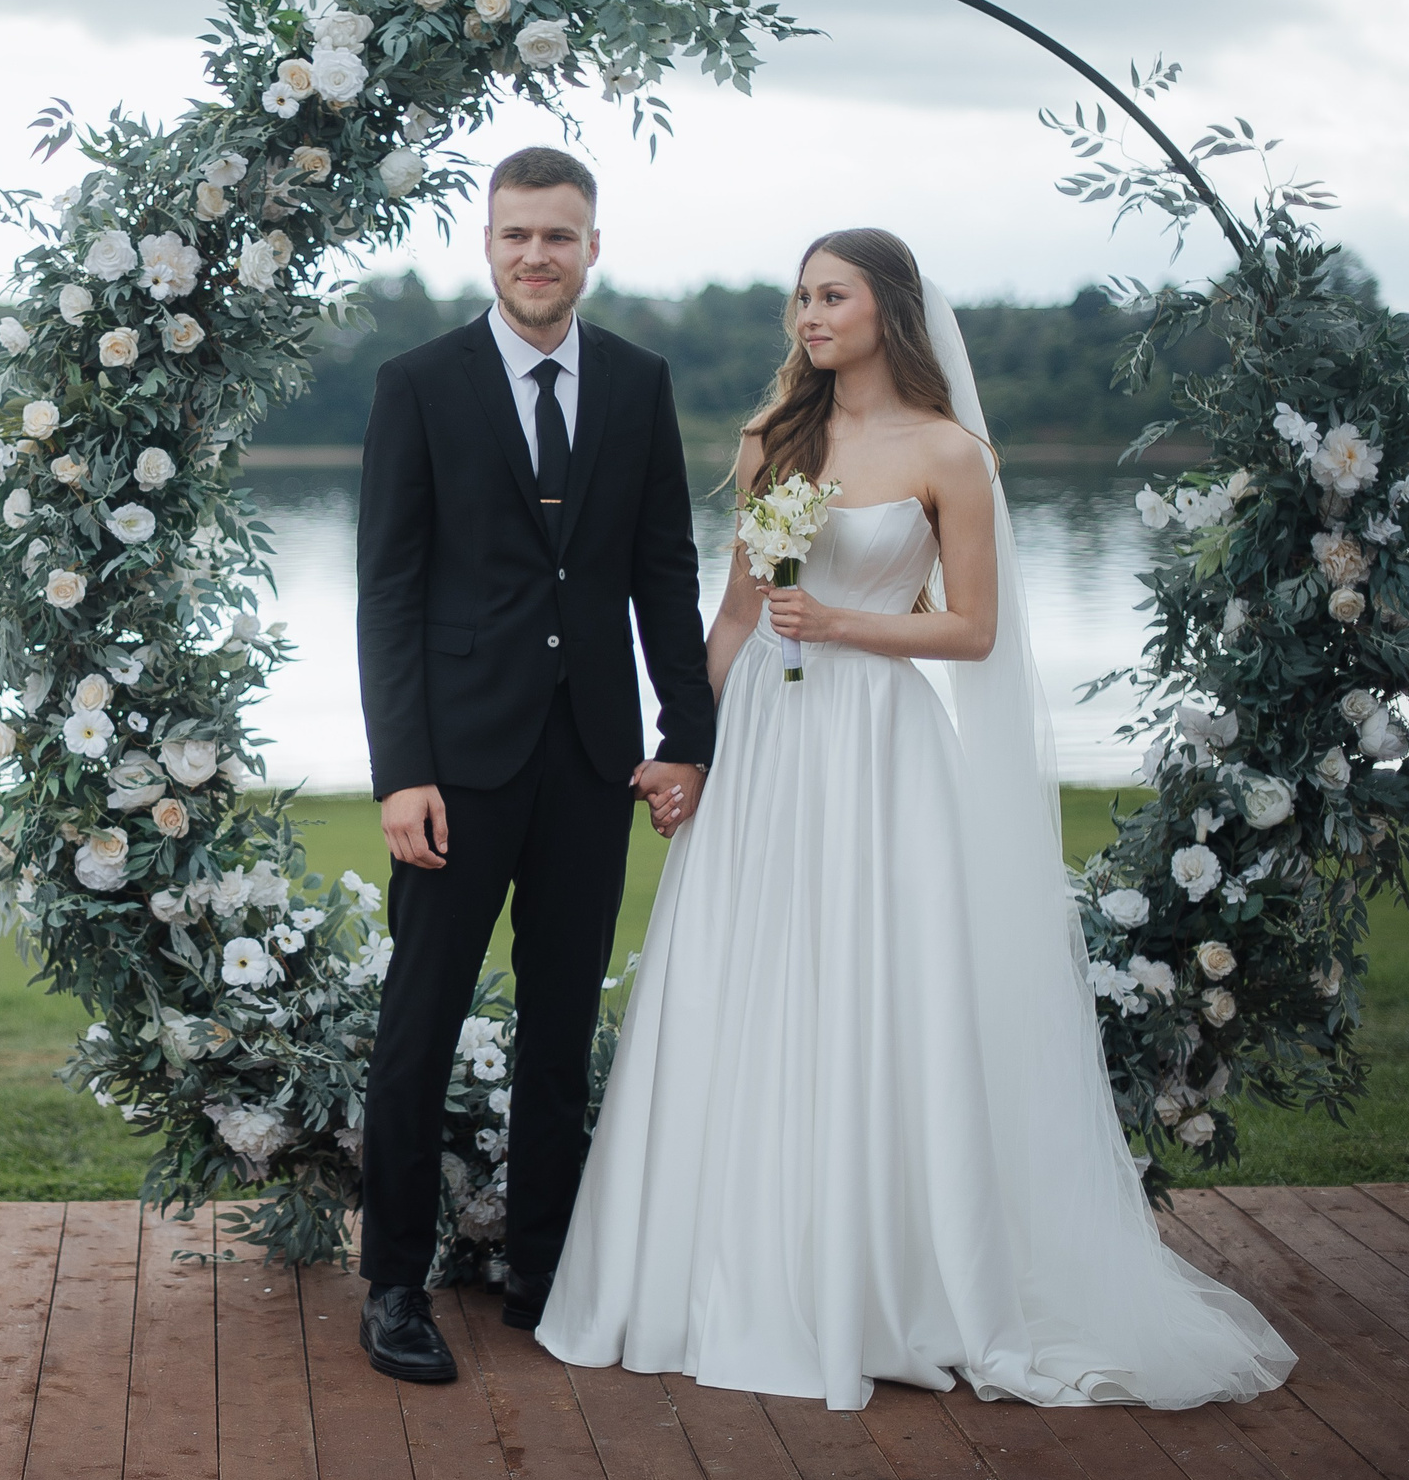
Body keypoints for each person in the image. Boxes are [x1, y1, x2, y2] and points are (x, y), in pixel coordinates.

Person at [536, 228, 1296, 1409]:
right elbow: (732, 616)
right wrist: (692, 747)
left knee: (873, 985)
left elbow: (973, 629)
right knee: (743, 981)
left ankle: (886, 1280)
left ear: (887, 309)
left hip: (878, 745)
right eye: (798, 296)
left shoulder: (952, 452)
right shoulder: (771, 440)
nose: (807, 315)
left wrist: (845, 625)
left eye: (829, 295)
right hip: (769, 751)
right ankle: (712, 1273)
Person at [353, 146, 716, 1384]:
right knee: (420, 1029)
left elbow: (664, 569)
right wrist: (400, 769)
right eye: (515, 235)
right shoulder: (419, 384)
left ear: (592, 247)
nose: (535, 255)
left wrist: (686, 737)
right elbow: (387, 594)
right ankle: (392, 1282)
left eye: (558, 235)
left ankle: (543, 1271)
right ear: (488, 242)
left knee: (561, 1035)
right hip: (454, 767)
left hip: (591, 761)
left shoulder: (636, 381)